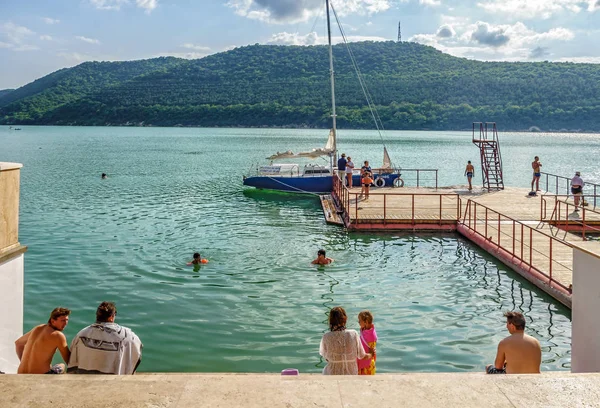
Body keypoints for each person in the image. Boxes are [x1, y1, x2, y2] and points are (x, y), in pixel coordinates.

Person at [68, 301, 143, 374]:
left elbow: (73, 356)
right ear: (111, 317)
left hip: (85, 376)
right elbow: (137, 348)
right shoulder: (127, 335)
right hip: (113, 378)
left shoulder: (81, 334)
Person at [15, 307, 71, 374]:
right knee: (62, 365)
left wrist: (24, 362)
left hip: (21, 373)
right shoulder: (58, 335)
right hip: (39, 377)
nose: (66, 323)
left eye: (67, 320)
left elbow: (18, 343)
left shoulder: (38, 328)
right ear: (53, 321)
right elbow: (68, 360)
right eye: (63, 320)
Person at [320, 306, 372, 375]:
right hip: (351, 374)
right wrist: (371, 354)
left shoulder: (326, 337)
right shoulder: (354, 334)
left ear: (330, 321)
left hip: (332, 375)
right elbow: (362, 356)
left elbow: (326, 358)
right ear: (345, 319)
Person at [357, 310, 377, 375]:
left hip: (366, 364)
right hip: (368, 362)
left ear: (365, 322)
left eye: (359, 320)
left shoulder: (370, 335)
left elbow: (370, 350)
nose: (358, 322)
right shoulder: (368, 331)